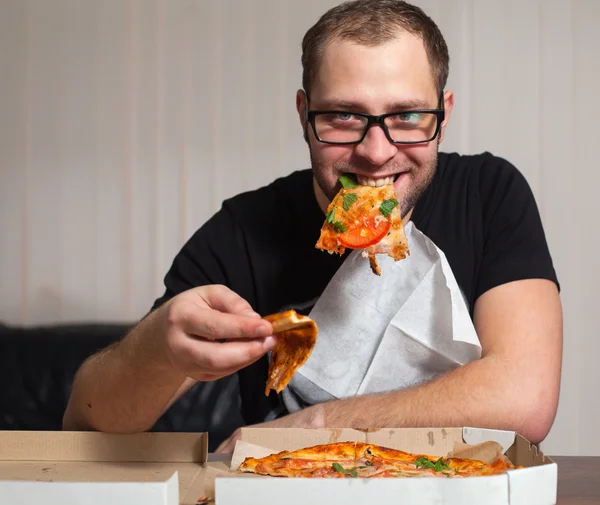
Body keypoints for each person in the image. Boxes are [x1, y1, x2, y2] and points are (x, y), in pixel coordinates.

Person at [63, 0, 562, 452]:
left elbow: (526, 396)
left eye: (407, 115)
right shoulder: (245, 229)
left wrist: (316, 423)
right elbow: (86, 426)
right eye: (344, 117)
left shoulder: (489, 194)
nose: (376, 152)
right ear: (304, 115)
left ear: (443, 114)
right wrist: (159, 349)